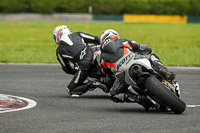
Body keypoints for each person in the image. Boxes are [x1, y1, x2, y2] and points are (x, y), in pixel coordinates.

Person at [98, 29, 176, 109]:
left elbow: (106, 73)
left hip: (122, 74)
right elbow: (139, 47)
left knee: (112, 95)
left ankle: (140, 99)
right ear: (115, 36)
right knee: (152, 56)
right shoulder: (121, 41)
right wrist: (147, 50)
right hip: (133, 59)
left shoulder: (100, 55)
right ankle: (165, 72)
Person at [53, 25, 107, 97]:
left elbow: (67, 69)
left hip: (84, 65)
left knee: (71, 89)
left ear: (57, 36)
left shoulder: (59, 51)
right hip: (95, 51)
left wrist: (76, 70)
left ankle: (93, 83)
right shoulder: (78, 34)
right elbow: (97, 39)